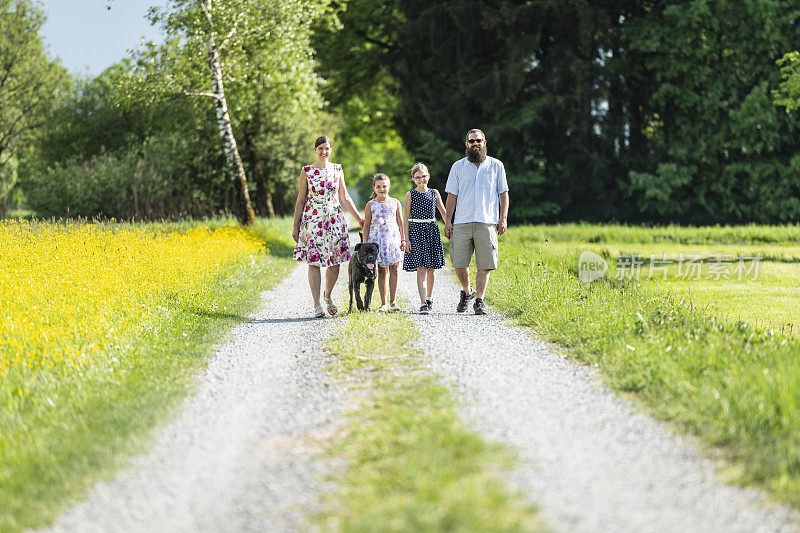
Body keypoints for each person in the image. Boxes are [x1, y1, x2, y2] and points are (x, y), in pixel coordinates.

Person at [292, 135, 364, 318]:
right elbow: (300, 200)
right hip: (313, 222)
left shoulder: (337, 169)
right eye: (320, 148)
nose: (324, 151)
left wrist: (359, 219)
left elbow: (345, 197)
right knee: (314, 262)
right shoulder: (307, 171)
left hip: (334, 221)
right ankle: (317, 305)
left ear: (331, 150)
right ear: (315, 150)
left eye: (327, 148)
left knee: (335, 263)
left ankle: (328, 295)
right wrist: (296, 226)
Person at [444, 129, 509, 315]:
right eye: (472, 141)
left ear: (485, 142)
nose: (475, 144)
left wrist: (502, 218)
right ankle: (467, 291)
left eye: (478, 141)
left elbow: (503, 194)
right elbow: (451, 196)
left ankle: (479, 300)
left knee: (485, 264)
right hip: (462, 222)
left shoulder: (496, 166)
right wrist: (448, 221)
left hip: (487, 222)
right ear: (466, 144)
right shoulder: (457, 167)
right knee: (458, 263)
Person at [402, 162, 446, 314]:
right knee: (421, 267)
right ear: (413, 179)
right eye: (418, 177)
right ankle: (422, 303)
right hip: (416, 231)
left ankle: (429, 297)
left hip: (431, 230)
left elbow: (443, 211)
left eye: (424, 176)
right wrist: (406, 239)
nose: (422, 180)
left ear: (428, 176)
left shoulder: (434, 193)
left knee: (431, 269)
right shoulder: (410, 195)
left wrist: (449, 226)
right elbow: (406, 217)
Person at [363, 173, 405, 312]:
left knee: (394, 268)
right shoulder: (371, 204)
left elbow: (400, 222)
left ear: (389, 187)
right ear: (374, 188)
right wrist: (365, 243)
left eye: (384, 186)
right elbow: (367, 225)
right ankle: (383, 303)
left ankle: (393, 302)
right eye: (378, 186)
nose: (382, 189)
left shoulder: (395, 202)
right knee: (382, 270)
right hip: (377, 240)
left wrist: (403, 239)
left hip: (392, 239)